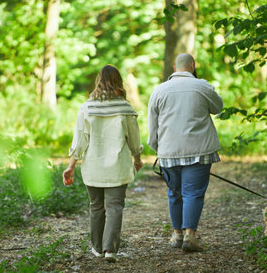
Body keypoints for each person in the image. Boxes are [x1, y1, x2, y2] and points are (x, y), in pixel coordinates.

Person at [63, 65, 143, 263]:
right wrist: (137, 159)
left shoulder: (87, 107)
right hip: (117, 166)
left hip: (94, 166)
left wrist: (71, 165)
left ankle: (97, 248)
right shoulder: (125, 108)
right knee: (115, 206)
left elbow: (79, 140)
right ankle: (110, 250)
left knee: (96, 206)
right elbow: (134, 140)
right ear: (119, 82)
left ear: (98, 80)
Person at [147, 53, 223, 252]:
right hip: (199, 149)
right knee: (194, 193)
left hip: (168, 151)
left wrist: (158, 149)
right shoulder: (202, 86)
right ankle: (190, 235)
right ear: (192, 65)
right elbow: (218, 107)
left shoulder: (159, 90)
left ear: (174, 67)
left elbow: (152, 126)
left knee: (175, 193)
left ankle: (177, 235)